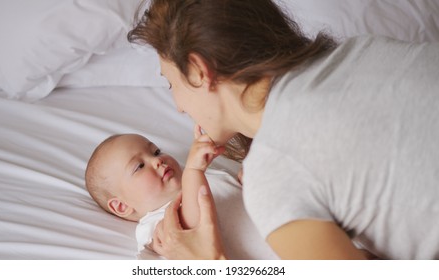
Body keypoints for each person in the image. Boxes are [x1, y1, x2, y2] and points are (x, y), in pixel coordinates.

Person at [128, 0, 439, 259]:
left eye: (171, 83)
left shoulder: (274, 176)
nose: (179, 106)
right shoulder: (367, 48)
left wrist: (211, 265)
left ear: (198, 71)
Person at [84, 127, 225, 254]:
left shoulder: (206, 174)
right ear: (122, 206)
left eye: (156, 152)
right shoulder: (154, 223)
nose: (157, 161)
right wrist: (194, 171)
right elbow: (191, 231)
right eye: (139, 166)